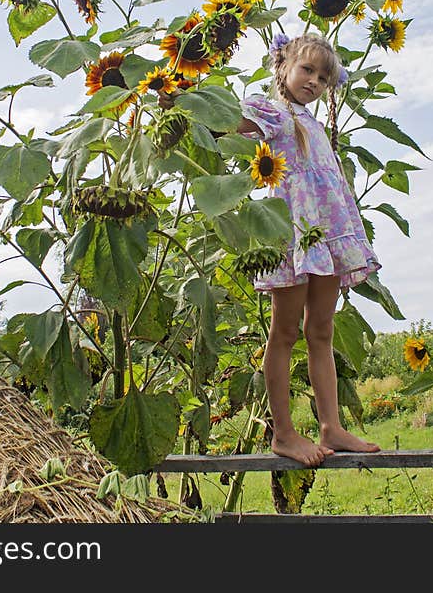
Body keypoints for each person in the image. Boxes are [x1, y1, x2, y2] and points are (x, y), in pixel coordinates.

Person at [162, 33, 381, 467]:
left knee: (322, 332)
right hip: (292, 236)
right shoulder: (274, 115)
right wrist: (180, 102)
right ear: (281, 67)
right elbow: (226, 122)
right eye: (307, 70)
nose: (316, 81)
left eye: (323, 77)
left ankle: (330, 426)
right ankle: (283, 433)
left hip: (327, 237)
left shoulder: (313, 123)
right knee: (285, 333)